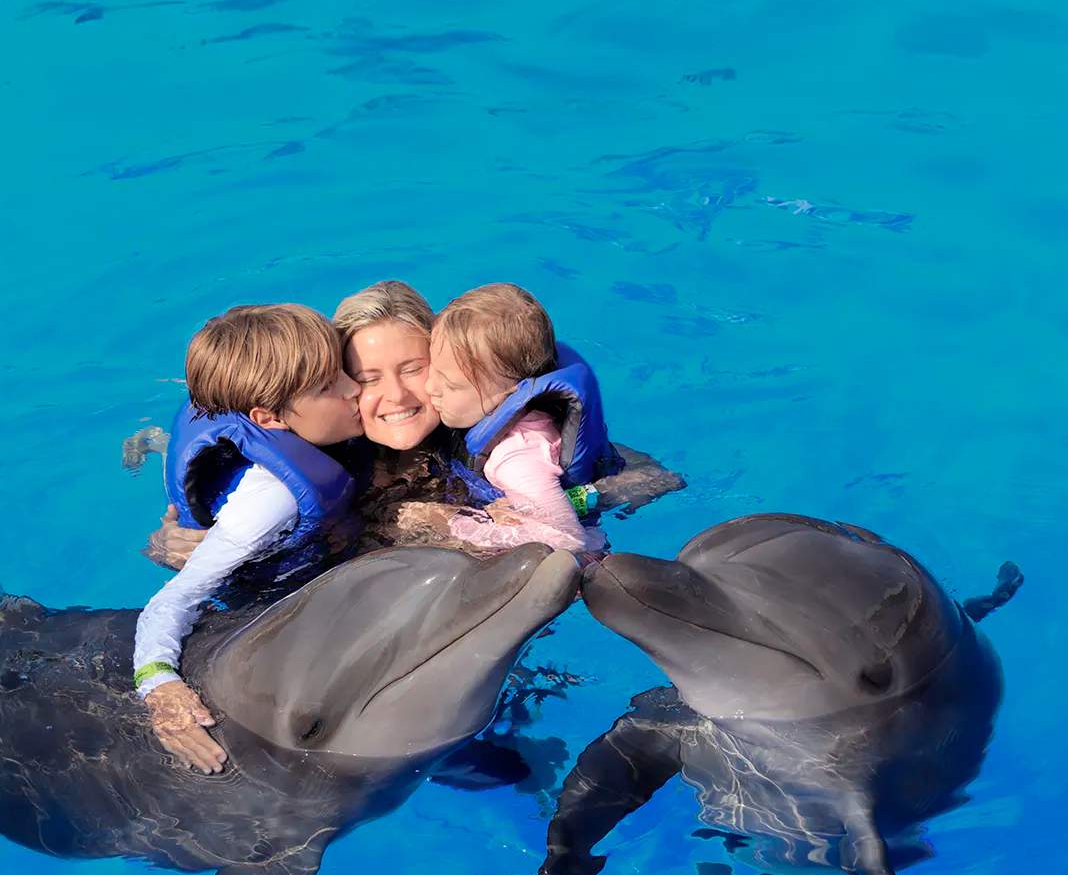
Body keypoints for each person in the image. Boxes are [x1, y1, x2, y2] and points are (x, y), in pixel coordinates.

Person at [143, 279, 685, 565]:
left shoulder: (497, 437)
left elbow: (658, 480)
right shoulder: (325, 454)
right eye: (368, 376)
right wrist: (178, 546)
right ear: (338, 382)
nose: (396, 396)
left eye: (414, 369)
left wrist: (572, 500)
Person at [134, 304, 364, 773]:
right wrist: (159, 685)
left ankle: (152, 440)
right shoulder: (270, 502)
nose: (355, 388)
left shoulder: (299, 421)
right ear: (270, 417)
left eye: (343, 370)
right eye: (330, 386)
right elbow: (171, 602)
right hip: (259, 578)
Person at [425, 283, 612, 555]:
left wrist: (456, 525)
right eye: (433, 370)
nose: (431, 388)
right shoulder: (515, 415)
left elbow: (568, 539)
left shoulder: (515, 460)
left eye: (451, 386)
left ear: (511, 392)